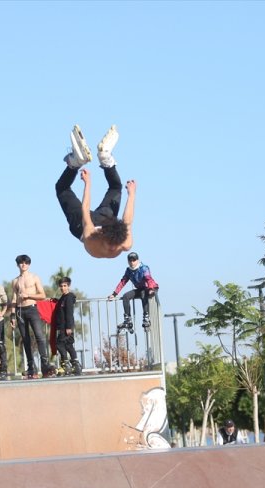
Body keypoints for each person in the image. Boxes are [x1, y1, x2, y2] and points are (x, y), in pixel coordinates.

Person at [55, 124, 136, 259]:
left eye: (113, 245)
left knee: (62, 189)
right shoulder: (121, 242)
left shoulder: (92, 239)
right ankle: (105, 159)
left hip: (82, 225)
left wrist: (87, 184)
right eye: (110, 244)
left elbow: (85, 210)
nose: (111, 248)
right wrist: (132, 194)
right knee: (116, 187)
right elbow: (127, 221)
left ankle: (75, 163)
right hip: (104, 220)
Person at [10, 255, 55, 378]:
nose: (23, 265)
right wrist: (12, 316)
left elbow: (42, 295)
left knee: (39, 336)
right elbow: (13, 299)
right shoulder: (14, 281)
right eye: (21, 263)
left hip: (32, 309)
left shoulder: (34, 277)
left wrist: (28, 295)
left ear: (29, 264)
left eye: (25, 262)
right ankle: (31, 367)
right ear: (17, 265)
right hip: (20, 311)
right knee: (25, 340)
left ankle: (45, 365)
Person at [108, 251, 159, 332]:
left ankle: (146, 318)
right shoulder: (128, 270)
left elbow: (148, 279)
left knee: (143, 293)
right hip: (140, 289)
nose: (132, 262)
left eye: (134, 260)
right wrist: (114, 294)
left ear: (137, 260)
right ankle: (128, 320)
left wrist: (151, 289)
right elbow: (123, 282)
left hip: (151, 288)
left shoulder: (144, 268)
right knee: (125, 296)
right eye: (130, 261)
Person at [54, 276, 81, 376]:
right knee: (68, 345)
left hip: (66, 326)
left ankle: (66, 364)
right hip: (61, 326)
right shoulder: (62, 298)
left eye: (65, 286)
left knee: (59, 344)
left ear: (68, 286)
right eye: (61, 286)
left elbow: (69, 312)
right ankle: (76, 365)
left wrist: (69, 327)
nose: (63, 288)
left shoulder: (69, 297)